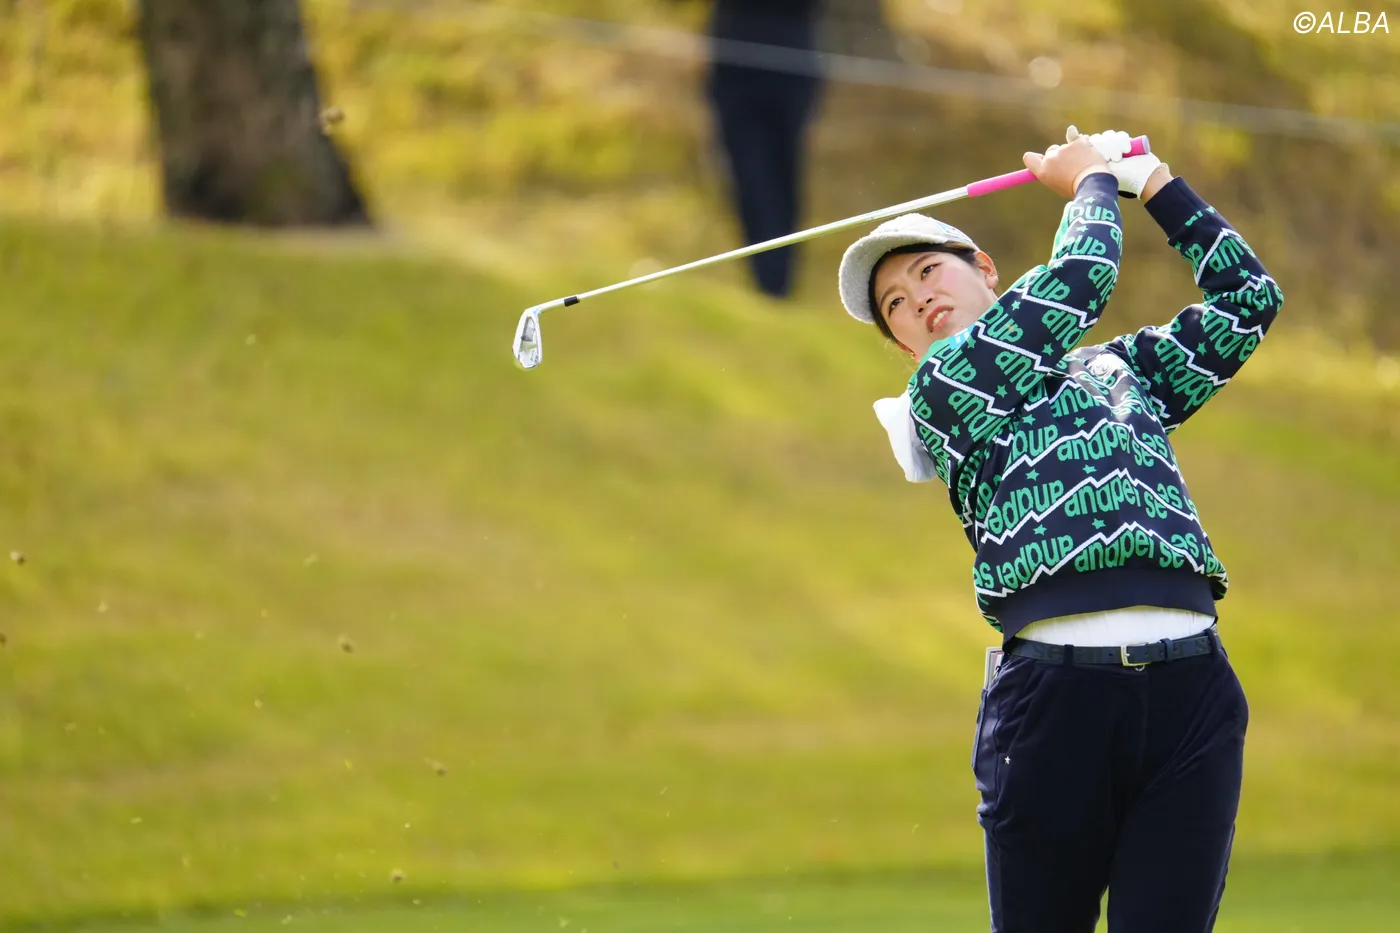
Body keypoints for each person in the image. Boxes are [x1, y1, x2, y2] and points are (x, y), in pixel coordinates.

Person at [836, 129, 1284, 932]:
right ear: (904, 345)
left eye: (927, 270)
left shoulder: (1119, 371)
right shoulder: (944, 391)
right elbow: (1082, 277)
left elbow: (1249, 300)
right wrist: (1090, 183)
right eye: (895, 304)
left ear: (985, 270)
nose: (917, 298)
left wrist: (1156, 183)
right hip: (1053, 705)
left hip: (1192, 691)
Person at [704, 0, 825, 298]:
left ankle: (777, 282)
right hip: (735, 70)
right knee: (749, 177)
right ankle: (766, 280)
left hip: (790, 68)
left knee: (784, 177)